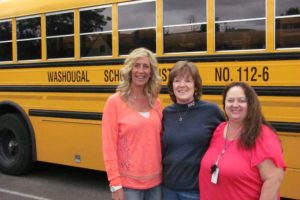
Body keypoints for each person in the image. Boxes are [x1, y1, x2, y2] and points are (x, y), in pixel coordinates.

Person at [199, 82, 286, 200]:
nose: (235, 104)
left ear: (251, 104)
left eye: (241, 100)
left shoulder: (263, 136)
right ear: (224, 104)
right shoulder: (219, 130)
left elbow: (273, 181)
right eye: (230, 100)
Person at [102, 48, 163, 200]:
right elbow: (109, 147)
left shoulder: (156, 103)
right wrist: (115, 184)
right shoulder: (114, 102)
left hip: (156, 185)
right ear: (129, 69)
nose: (140, 71)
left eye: (145, 66)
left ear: (151, 72)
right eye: (136, 65)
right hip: (129, 187)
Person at [162, 61, 224, 200]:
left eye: (188, 81)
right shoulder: (166, 113)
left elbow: (231, 135)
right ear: (172, 86)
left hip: (196, 191)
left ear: (196, 86)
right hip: (168, 189)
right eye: (177, 81)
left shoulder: (210, 111)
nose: (182, 85)